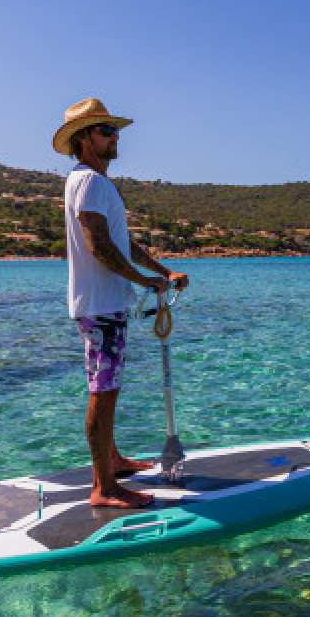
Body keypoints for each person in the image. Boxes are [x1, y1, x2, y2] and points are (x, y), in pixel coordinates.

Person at [53, 98, 189, 508]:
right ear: (83, 140)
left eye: (115, 130)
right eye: (106, 130)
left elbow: (123, 243)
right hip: (100, 304)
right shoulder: (91, 182)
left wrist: (162, 273)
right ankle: (104, 487)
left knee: (106, 385)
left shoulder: (87, 182)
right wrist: (144, 280)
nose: (116, 137)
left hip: (101, 302)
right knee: (104, 390)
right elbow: (100, 246)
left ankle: (111, 460)